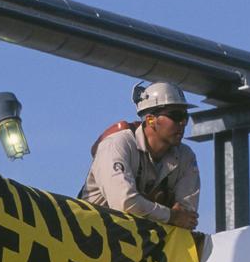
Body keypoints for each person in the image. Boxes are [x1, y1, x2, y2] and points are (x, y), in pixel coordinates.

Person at [79, 80, 201, 228]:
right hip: (91, 236)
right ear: (150, 119)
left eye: (185, 117)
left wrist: (171, 216)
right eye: (175, 116)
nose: (182, 122)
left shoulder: (185, 157)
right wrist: (171, 215)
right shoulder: (117, 144)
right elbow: (124, 202)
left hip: (136, 242)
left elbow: (187, 217)